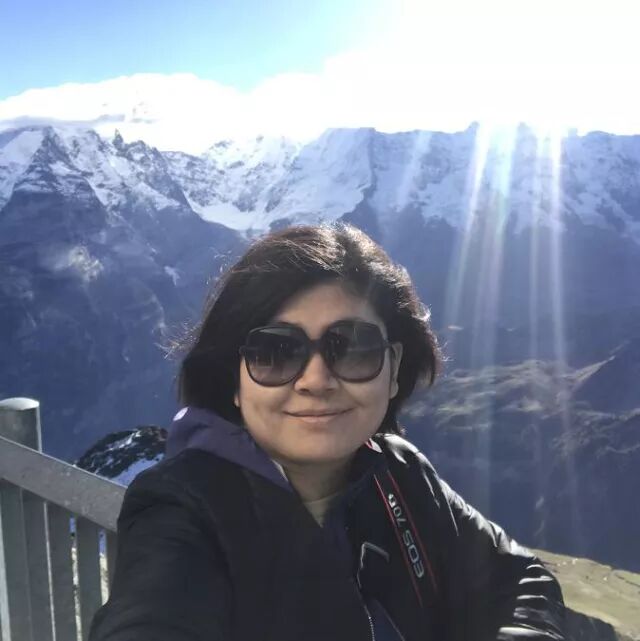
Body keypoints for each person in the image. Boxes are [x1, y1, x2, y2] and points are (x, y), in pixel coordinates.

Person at [89, 224, 567, 641]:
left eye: (354, 348)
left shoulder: (401, 473)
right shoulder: (182, 509)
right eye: (274, 352)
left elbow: (520, 578)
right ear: (232, 380)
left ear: (394, 369)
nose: (315, 380)